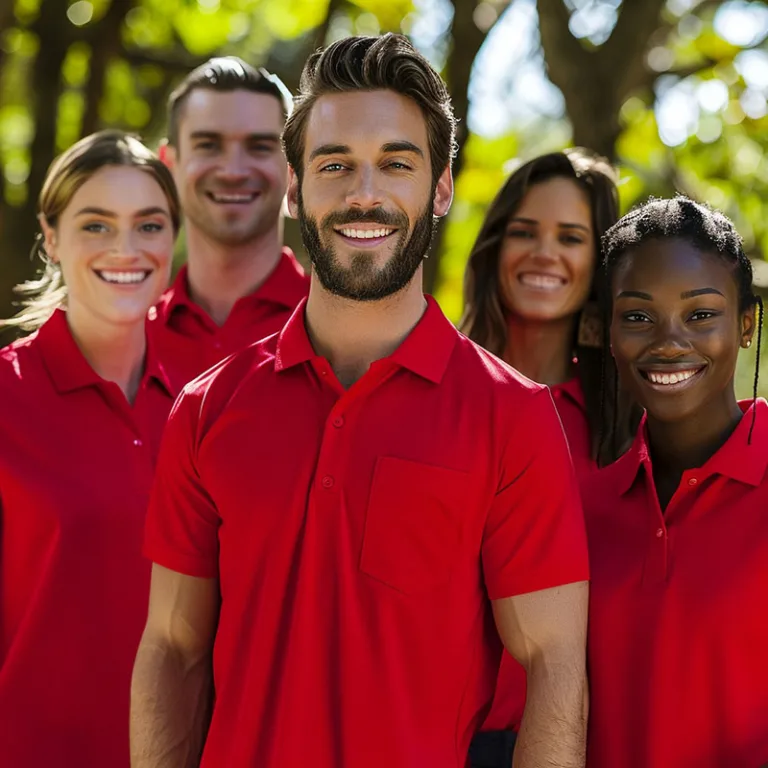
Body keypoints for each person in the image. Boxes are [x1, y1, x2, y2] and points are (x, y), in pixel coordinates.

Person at [131, 34, 589, 768]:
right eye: (335, 164)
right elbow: (172, 646)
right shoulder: (206, 408)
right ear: (293, 186)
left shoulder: (515, 417)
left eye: (396, 165)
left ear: (440, 187)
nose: (363, 194)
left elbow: (555, 667)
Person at [0, 131, 181, 767]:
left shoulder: (206, 405)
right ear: (50, 236)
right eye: (96, 225)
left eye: (149, 225)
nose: (126, 249)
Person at [462, 150, 640, 768]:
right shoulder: (437, 392)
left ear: (600, 264)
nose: (545, 253)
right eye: (524, 232)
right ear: (493, 248)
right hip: (432, 736)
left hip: (569, 742)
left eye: (570, 237)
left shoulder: (623, 426)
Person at [583, 196, 768, 767]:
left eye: (701, 314)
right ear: (606, 332)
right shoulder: (581, 509)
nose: (668, 341)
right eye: (638, 316)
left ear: (746, 324)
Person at [149, 56, 309, 383]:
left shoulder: (339, 332)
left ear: (293, 169)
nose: (233, 171)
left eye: (259, 147)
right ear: (169, 165)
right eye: (208, 145)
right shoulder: (126, 338)